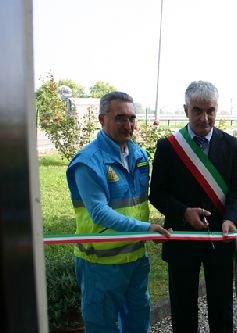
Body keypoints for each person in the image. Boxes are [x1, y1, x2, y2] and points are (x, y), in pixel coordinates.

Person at [66, 91, 170, 332]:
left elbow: (141, 201)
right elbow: (99, 213)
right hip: (100, 264)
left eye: (132, 118)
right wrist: (146, 229)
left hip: (135, 260)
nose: (128, 125)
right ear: (102, 119)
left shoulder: (140, 156)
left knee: (137, 324)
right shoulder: (88, 162)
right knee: (101, 327)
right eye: (120, 118)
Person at [149, 80, 237, 332]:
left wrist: (231, 219)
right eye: (197, 110)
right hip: (182, 237)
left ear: (217, 109)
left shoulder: (232, 145)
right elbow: (157, 194)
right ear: (186, 110)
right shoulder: (169, 146)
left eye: (211, 110)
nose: (205, 118)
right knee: (182, 308)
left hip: (221, 237)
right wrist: (183, 212)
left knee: (222, 308)